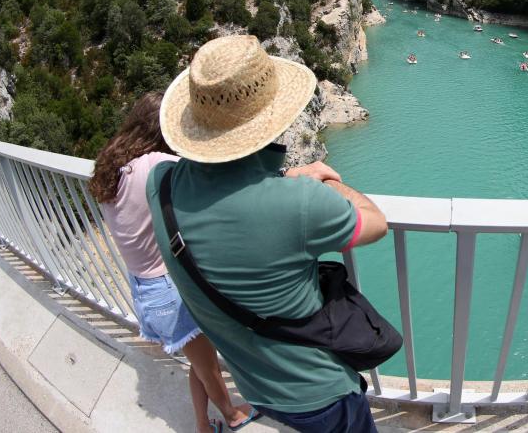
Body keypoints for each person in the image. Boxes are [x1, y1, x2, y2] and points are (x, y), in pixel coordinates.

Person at [146, 36, 389, 433]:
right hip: (320, 391)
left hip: (254, 385)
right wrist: (315, 181)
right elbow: (376, 222)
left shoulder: (161, 186)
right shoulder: (301, 201)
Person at [88, 93, 259, 433]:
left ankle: (202, 425)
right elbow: (203, 184)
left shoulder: (112, 166)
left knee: (199, 361)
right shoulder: (154, 165)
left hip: (143, 286)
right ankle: (233, 416)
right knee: (207, 365)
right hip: (168, 290)